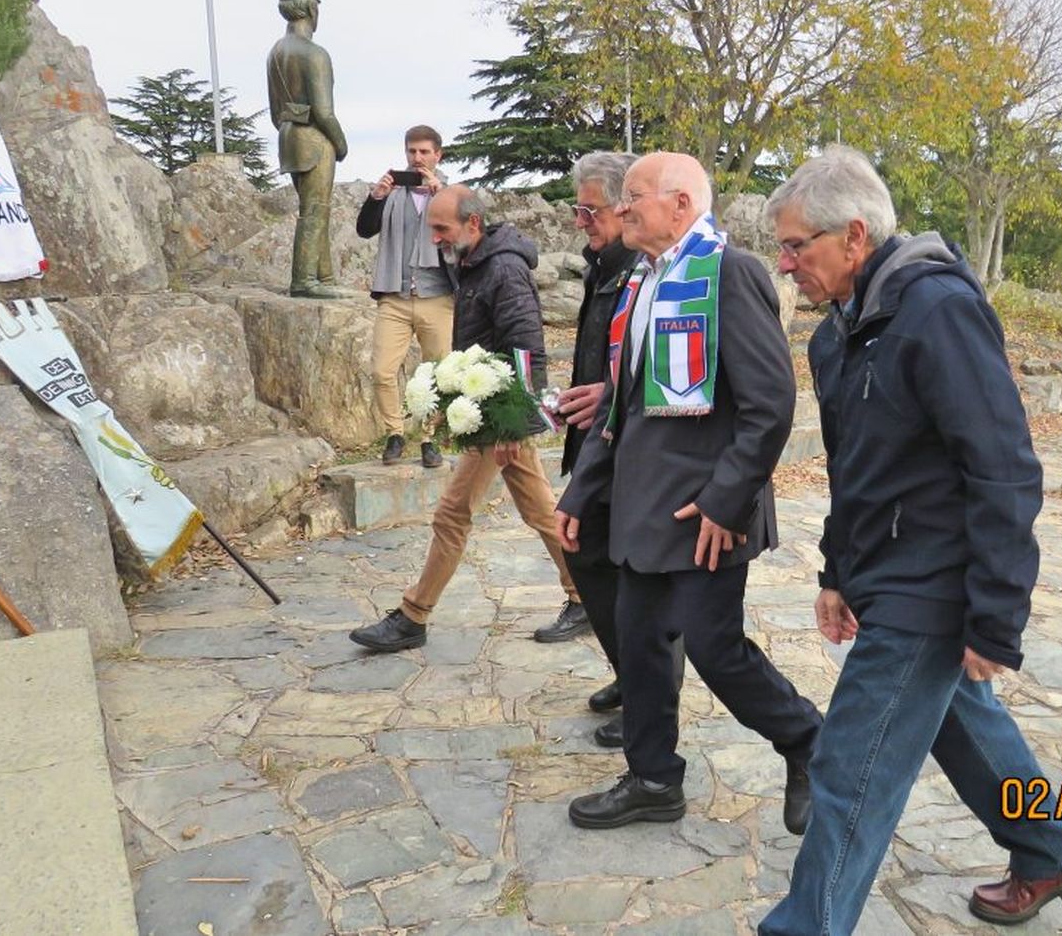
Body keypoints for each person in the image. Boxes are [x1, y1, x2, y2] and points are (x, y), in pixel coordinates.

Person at [756, 147, 1062, 935]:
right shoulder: (836, 335)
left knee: (850, 764)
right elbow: (855, 472)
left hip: (934, 581)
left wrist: (996, 617)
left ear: (856, 236)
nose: (785, 262)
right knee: (960, 718)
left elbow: (1005, 466)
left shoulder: (937, 311)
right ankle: (1050, 851)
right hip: (885, 572)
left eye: (796, 244)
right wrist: (837, 571)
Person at [555, 152, 822, 831]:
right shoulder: (647, 280)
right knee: (639, 641)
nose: (622, 209)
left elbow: (770, 403)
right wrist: (581, 493)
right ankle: (653, 778)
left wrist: (726, 499)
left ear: (681, 205)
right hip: (647, 508)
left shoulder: (728, 273)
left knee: (715, 649)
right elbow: (622, 403)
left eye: (635, 197)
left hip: (707, 512)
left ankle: (808, 741)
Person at [350, 186, 581, 652]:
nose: (434, 237)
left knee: (452, 514)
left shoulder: (505, 269)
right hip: (494, 413)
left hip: (500, 418)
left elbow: (525, 348)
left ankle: (414, 616)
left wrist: (512, 426)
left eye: (441, 228)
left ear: (472, 224)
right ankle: (586, 597)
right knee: (541, 513)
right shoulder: (476, 261)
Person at [539, 151, 686, 749]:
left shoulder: (648, 267)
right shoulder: (604, 264)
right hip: (596, 442)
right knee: (589, 561)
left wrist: (615, 391)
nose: (582, 220)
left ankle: (652, 701)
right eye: (580, 208)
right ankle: (633, 678)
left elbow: (674, 368)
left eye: (590, 208)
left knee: (640, 588)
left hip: (632, 449)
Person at [356, 125, 455, 468]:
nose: (417, 158)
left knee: (437, 373)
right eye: (412, 151)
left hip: (436, 295)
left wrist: (440, 195)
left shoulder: (450, 193)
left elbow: (467, 235)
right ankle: (395, 433)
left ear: (437, 155)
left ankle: (429, 437)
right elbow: (365, 229)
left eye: (424, 152)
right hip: (395, 295)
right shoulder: (393, 190)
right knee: (383, 371)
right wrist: (377, 197)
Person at [266, 0, 347, 298]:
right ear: (311, 8)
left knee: (315, 208)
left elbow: (274, 112)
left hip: (288, 137)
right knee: (315, 211)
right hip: (315, 140)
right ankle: (304, 280)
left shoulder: (275, 52)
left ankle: (323, 276)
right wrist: (341, 145)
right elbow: (325, 113)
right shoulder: (315, 54)